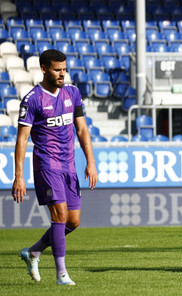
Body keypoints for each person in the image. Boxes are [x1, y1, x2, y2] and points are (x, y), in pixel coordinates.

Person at [12, 49, 98, 285]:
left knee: (73, 222)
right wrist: (19, 176)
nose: (62, 74)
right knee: (59, 216)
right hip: (47, 165)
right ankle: (61, 274)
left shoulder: (73, 93)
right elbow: (22, 140)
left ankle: (33, 252)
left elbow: (81, 130)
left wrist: (90, 162)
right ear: (43, 69)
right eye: (57, 70)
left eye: (64, 69)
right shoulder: (32, 99)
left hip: (69, 166)